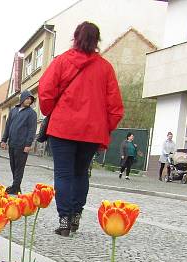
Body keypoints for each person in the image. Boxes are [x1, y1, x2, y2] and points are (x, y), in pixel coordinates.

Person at [39, 21, 124, 236]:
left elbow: (46, 92)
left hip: (63, 128)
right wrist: (105, 128)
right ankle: (76, 215)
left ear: (75, 37)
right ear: (97, 41)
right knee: (81, 173)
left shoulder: (62, 62)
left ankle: (65, 219)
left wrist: (52, 111)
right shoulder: (105, 68)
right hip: (91, 130)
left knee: (64, 174)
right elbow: (115, 107)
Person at [0, 90, 38, 194]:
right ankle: (16, 186)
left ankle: (15, 187)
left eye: (31, 99)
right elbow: (7, 126)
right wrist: (3, 140)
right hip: (12, 143)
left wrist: (28, 144)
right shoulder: (13, 111)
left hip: (22, 144)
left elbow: (32, 130)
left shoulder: (32, 113)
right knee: (13, 165)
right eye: (27, 98)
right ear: (22, 98)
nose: (29, 100)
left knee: (19, 167)